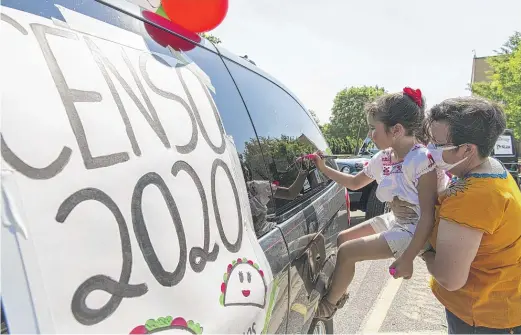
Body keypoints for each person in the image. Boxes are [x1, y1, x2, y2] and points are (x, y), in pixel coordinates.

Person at [311, 87, 449, 320]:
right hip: (396, 219)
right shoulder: (384, 157)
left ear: (396, 130)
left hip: (416, 228)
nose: (370, 135)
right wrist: (324, 169)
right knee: (344, 238)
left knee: (347, 252)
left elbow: (428, 216)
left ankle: (328, 306)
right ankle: (340, 291)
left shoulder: (421, 160)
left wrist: (407, 257)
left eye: (373, 129)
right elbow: (355, 183)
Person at [393, 97, 521, 334]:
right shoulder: (490, 167)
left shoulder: (473, 197)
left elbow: (450, 278)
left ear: (467, 149)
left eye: (438, 144)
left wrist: (420, 248)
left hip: (482, 317)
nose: (429, 151)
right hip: (496, 305)